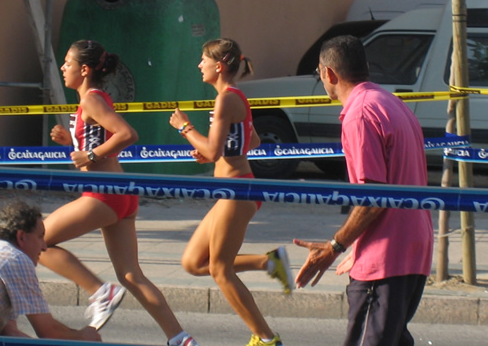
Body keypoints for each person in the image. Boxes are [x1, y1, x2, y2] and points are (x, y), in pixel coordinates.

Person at [38, 40, 199, 346]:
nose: (62, 68)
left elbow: (127, 135)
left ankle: (100, 291)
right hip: (120, 195)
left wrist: (92, 155)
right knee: (131, 275)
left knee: (35, 241)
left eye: (67, 63)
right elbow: (97, 141)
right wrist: (71, 145)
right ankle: (180, 339)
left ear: (84, 70)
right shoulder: (93, 98)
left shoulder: (91, 100)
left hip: (103, 194)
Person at [294, 35, 433, 346]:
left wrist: (334, 246)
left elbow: (373, 198)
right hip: (412, 248)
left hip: (385, 257)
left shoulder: (360, 115)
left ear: (329, 73)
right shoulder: (390, 102)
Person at [169, 38, 293, 346]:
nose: (199, 65)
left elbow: (212, 152)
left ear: (219, 65)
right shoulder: (234, 96)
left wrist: (185, 128)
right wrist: (219, 150)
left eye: (203, 60)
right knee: (194, 263)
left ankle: (266, 339)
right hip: (233, 189)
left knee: (220, 270)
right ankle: (269, 262)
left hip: (237, 190)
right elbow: (251, 142)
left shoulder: (226, 99)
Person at [0, 200, 101, 341]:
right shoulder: (15, 259)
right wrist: (83, 337)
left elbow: (10, 333)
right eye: (40, 237)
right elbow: (49, 331)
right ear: (21, 237)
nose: (44, 247)